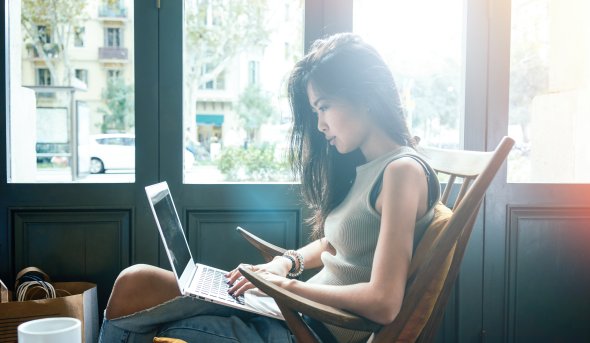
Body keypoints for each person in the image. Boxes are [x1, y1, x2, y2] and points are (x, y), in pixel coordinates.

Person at [99, 33, 441, 343]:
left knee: (150, 323)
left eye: (324, 107)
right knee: (135, 282)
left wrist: (285, 288)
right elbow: (344, 242)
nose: (320, 124)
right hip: (289, 310)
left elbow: (384, 303)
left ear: (364, 96)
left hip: (305, 328)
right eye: (315, 111)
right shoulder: (367, 167)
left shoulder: (402, 172)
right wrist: (285, 263)